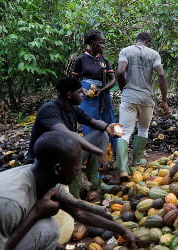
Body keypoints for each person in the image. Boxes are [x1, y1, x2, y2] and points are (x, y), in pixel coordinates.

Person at [0, 131, 138, 250]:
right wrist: (36, 213)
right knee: (47, 228)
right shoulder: (8, 201)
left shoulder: (45, 176)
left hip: (0, 233)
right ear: (59, 168)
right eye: (77, 164)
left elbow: (79, 213)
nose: (80, 168)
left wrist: (123, 230)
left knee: (47, 228)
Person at [26, 77, 121, 199]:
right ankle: (73, 196)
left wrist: (108, 127)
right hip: (45, 162)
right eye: (79, 92)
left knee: (101, 135)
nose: (84, 94)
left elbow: (92, 122)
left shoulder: (73, 108)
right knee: (72, 148)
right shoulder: (49, 110)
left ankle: (96, 183)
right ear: (70, 95)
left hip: (63, 154)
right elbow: (67, 134)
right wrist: (99, 151)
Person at [116, 31, 169, 181]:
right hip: (146, 98)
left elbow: (120, 71)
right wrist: (164, 100)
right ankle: (136, 162)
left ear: (137, 40)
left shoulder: (125, 51)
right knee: (143, 129)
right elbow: (161, 75)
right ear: (147, 41)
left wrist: (123, 88)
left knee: (124, 132)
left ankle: (122, 169)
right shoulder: (154, 54)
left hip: (129, 96)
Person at [72, 30, 118, 164]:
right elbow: (74, 80)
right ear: (91, 43)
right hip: (87, 98)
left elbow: (113, 80)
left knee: (109, 123)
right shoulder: (81, 59)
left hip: (103, 96)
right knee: (90, 126)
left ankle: (113, 157)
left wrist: (102, 90)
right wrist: (83, 89)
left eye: (104, 43)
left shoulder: (104, 60)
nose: (103, 46)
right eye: (100, 43)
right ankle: (92, 162)